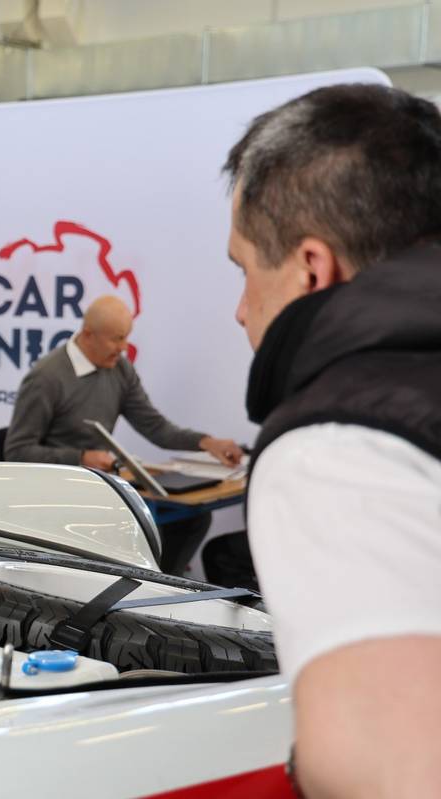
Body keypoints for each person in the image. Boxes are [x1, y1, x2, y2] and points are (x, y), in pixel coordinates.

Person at [223, 83, 441, 798]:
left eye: (247, 270)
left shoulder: (340, 450)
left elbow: (395, 775)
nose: (239, 311)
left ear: (312, 269)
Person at [3, 294, 243, 572]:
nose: (123, 348)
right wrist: (80, 458)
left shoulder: (119, 369)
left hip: (102, 484)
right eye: (116, 339)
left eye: (126, 338)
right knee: (158, 525)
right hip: (59, 490)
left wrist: (206, 442)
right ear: (88, 335)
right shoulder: (46, 377)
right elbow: (16, 451)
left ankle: (162, 587)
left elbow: (154, 426)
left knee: (190, 519)